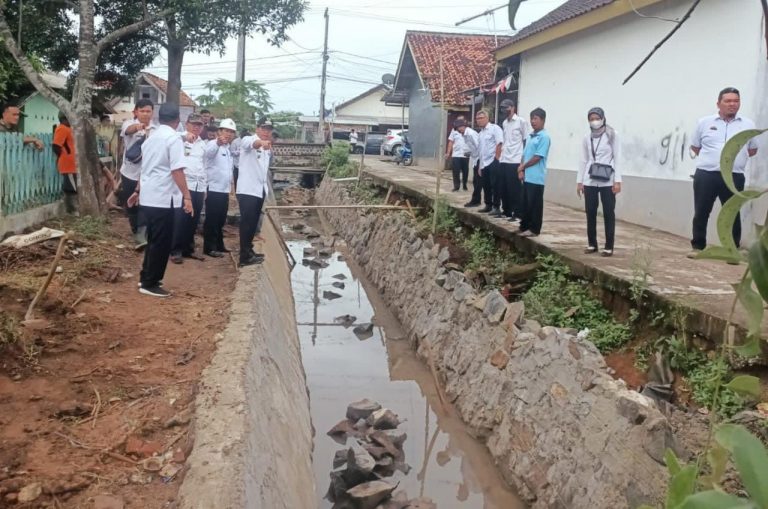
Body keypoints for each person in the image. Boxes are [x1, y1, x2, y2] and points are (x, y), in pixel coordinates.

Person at [131, 102, 193, 298]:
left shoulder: (152, 137)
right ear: (177, 121)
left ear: (159, 118)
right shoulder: (172, 139)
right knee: (161, 242)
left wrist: (137, 191)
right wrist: (187, 195)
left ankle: (145, 277)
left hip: (149, 196)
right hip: (162, 197)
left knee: (153, 240)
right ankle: (150, 283)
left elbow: (145, 168)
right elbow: (177, 170)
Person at [688, 87, 759, 257]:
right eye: (728, 101)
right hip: (707, 174)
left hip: (734, 176)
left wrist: (734, 162)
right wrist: (714, 160)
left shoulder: (748, 124)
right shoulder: (704, 122)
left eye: (736, 101)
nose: (732, 104)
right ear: (718, 103)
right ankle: (698, 247)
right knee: (701, 211)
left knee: (732, 212)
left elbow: (752, 149)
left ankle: (732, 250)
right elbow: (695, 147)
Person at [577, 107, 621, 256]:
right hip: (590, 179)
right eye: (591, 119)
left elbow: (618, 158)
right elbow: (583, 160)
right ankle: (592, 244)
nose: (594, 121)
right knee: (590, 212)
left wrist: (617, 181)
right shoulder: (586, 137)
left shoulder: (612, 135)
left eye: (597, 118)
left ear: (603, 118)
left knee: (609, 212)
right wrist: (579, 181)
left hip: (607, 179)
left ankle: (609, 246)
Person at [118, 99, 156, 250]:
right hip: (129, 173)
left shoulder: (156, 129)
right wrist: (140, 127)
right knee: (131, 204)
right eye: (142, 111)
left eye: (148, 111)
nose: (145, 114)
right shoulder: (128, 124)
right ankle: (136, 231)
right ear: (136, 112)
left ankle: (142, 234)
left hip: (147, 174)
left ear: (153, 113)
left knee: (146, 204)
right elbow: (129, 130)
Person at [170, 113, 207, 264]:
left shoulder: (202, 144)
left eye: (199, 125)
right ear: (187, 124)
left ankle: (188, 248)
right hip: (185, 184)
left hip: (199, 185)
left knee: (194, 218)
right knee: (181, 218)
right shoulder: (179, 138)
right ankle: (176, 250)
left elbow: (204, 166)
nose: (196, 127)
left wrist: (205, 187)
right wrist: (185, 136)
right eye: (193, 124)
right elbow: (173, 139)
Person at [236, 118, 273, 266]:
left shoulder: (267, 148)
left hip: (259, 189)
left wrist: (266, 145)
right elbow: (250, 144)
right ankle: (244, 257)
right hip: (248, 190)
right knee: (247, 223)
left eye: (269, 129)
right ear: (257, 128)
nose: (266, 132)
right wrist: (260, 143)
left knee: (253, 224)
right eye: (264, 128)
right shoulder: (248, 140)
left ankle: (249, 250)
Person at [202, 118, 236, 257]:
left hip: (224, 190)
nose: (228, 134)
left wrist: (231, 187)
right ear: (219, 132)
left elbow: (228, 171)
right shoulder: (212, 145)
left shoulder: (227, 150)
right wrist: (217, 142)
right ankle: (209, 247)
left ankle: (219, 244)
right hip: (214, 189)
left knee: (221, 219)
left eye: (231, 132)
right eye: (226, 131)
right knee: (212, 219)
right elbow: (208, 153)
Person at [518, 108, 551, 238]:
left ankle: (534, 229)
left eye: (536, 119)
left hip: (536, 177)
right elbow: (525, 154)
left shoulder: (544, 137)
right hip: (527, 176)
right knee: (525, 203)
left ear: (543, 120)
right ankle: (524, 226)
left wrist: (523, 167)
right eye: (532, 118)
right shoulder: (531, 136)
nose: (533, 121)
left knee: (535, 204)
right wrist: (521, 169)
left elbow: (538, 157)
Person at [499, 99, 529, 221]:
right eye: (502, 108)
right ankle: (506, 211)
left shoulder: (521, 122)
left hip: (515, 159)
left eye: (506, 108)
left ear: (513, 108)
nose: (504, 110)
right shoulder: (505, 123)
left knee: (515, 188)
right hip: (504, 158)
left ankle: (518, 213)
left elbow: (526, 141)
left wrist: (523, 163)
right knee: (504, 187)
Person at [475, 110, 503, 215]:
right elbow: (481, 151)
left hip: (493, 161)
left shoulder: (494, 128)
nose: (479, 120)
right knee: (486, 185)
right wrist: (479, 166)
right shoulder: (480, 133)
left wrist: (497, 158)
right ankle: (488, 204)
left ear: (487, 118)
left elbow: (499, 143)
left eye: (481, 118)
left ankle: (496, 207)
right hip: (484, 163)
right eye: (477, 119)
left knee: (495, 185)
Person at [52, 112, 78, 214]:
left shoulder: (69, 129)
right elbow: (56, 146)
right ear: (64, 118)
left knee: (72, 187)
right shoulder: (62, 128)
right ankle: (73, 212)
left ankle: (73, 211)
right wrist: (64, 156)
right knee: (71, 189)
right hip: (68, 164)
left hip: (73, 164)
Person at [460, 121, 482, 207]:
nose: (459, 131)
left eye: (459, 128)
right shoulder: (465, 135)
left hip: (480, 159)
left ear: (463, 126)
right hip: (475, 159)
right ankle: (476, 200)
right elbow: (472, 148)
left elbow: (479, 146)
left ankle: (476, 201)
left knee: (478, 181)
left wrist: (481, 163)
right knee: (476, 181)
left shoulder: (471, 134)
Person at [446, 118, 469, 192]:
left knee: (465, 171)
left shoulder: (468, 130)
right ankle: (456, 186)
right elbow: (451, 142)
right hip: (456, 154)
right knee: (456, 171)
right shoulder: (454, 131)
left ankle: (464, 184)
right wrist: (448, 153)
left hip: (466, 154)